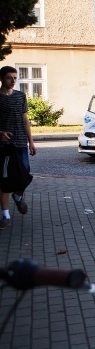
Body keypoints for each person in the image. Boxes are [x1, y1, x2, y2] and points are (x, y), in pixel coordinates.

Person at [0, 66, 37, 229]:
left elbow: (25, 120)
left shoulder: (21, 96)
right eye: (10, 78)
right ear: (2, 78)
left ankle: (17, 195)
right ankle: (5, 215)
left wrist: (31, 141)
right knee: (4, 179)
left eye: (15, 78)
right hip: (3, 146)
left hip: (21, 142)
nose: (13, 81)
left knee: (24, 174)